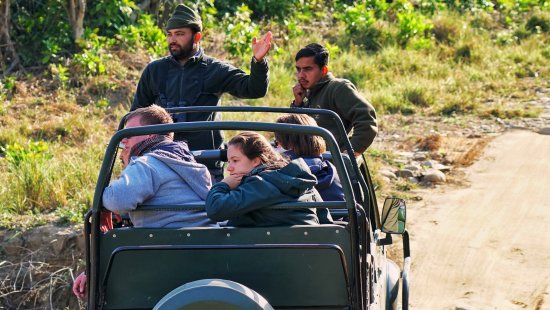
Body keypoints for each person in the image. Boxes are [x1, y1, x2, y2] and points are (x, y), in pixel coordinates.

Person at [73, 105, 216, 299]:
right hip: (203, 245)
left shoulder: (147, 164)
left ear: (148, 135)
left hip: (166, 251)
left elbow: (117, 199)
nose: (124, 140)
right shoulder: (189, 162)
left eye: (130, 134)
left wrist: (106, 202)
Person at [131, 4, 273, 181]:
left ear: (197, 36)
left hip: (204, 166)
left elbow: (254, 89)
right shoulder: (154, 70)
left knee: (210, 207)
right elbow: (135, 117)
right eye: (170, 34)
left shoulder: (215, 69)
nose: (172, 39)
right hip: (160, 165)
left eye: (180, 34)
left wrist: (258, 62)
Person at [205, 131, 321, 227]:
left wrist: (223, 184)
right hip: (316, 251)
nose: (229, 168)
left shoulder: (259, 183)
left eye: (235, 160)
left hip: (266, 252)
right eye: (229, 161)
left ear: (256, 160)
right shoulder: (302, 180)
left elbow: (216, 209)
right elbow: (325, 221)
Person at [291, 43, 378, 157]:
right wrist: (298, 104)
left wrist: (350, 152)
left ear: (324, 70)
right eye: (298, 69)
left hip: (328, 166)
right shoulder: (308, 92)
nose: (301, 75)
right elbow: (296, 131)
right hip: (307, 160)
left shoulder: (338, 88)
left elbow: (366, 119)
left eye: (307, 69)